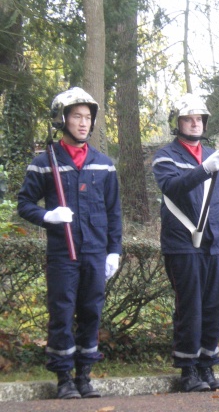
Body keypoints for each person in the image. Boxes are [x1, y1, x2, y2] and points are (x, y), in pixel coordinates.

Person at [17, 87, 122, 399]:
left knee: (91, 312)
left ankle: (84, 375)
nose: (82, 123)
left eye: (87, 118)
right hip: (63, 253)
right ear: (62, 119)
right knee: (62, 313)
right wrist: (48, 215)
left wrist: (114, 251)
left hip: (95, 251)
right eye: (76, 116)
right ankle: (63, 378)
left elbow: (114, 211)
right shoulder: (43, 162)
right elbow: (25, 204)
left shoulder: (104, 164)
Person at [152, 94, 219, 392]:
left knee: (215, 306)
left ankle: (207, 365)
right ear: (177, 123)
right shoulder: (165, 156)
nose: (195, 123)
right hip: (182, 241)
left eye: (199, 118)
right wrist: (204, 169)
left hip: (215, 240)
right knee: (190, 307)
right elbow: (173, 187)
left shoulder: (214, 155)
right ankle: (188, 369)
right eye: (189, 119)